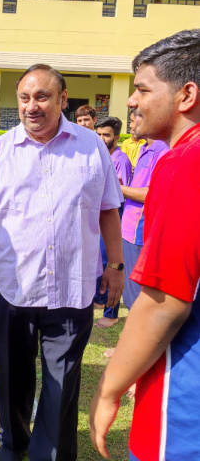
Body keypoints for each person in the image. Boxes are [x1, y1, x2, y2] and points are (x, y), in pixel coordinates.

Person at [0, 64, 124, 461]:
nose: (32, 106)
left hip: (72, 289)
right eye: (25, 98)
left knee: (62, 385)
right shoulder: (1, 150)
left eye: (42, 97)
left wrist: (115, 266)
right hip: (15, 291)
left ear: (63, 99)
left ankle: (52, 453)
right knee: (12, 378)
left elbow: (107, 208)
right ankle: (13, 445)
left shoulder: (91, 146)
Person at [90, 28, 200, 461]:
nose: (131, 101)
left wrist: (109, 388)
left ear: (186, 94)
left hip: (185, 392)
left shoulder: (184, 163)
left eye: (142, 89)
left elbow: (164, 302)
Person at [120, 120, 168, 312]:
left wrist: (119, 188)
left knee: (137, 296)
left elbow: (153, 194)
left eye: (134, 120)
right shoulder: (143, 148)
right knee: (129, 290)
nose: (130, 126)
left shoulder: (162, 150)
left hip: (139, 230)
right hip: (128, 228)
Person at [94, 117, 132, 328]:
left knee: (112, 264)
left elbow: (119, 197)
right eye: (98, 134)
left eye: (106, 135)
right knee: (100, 262)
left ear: (116, 138)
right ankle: (101, 301)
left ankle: (111, 313)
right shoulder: (100, 155)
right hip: (98, 218)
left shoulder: (120, 160)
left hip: (112, 218)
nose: (101, 138)